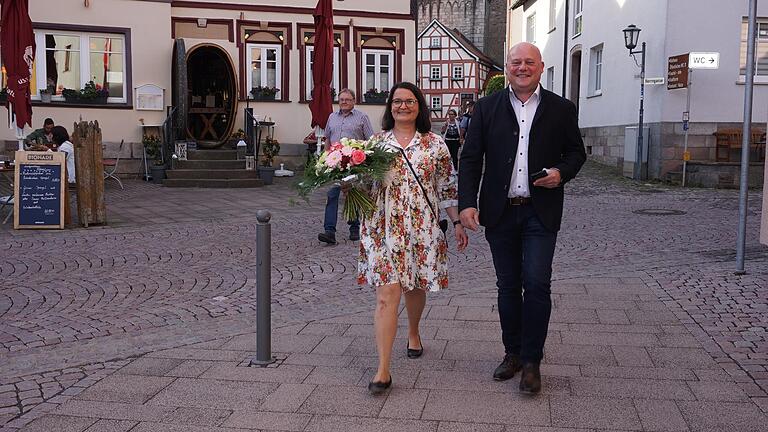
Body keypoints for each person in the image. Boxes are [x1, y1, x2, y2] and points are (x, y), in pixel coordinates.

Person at [458, 42, 586, 394]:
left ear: (541, 67)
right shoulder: (486, 108)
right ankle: (512, 352)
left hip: (539, 212)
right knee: (508, 286)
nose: (522, 67)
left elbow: (576, 152)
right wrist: (466, 202)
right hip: (499, 213)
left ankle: (532, 361)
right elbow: (470, 160)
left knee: (538, 283)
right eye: (516, 62)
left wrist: (561, 172)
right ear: (507, 68)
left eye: (529, 62)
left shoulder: (561, 108)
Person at [359, 82, 469, 395]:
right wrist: (347, 184)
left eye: (409, 101)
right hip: (382, 228)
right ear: (389, 107)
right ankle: (382, 370)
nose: (403, 106)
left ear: (419, 106)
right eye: (397, 101)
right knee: (386, 295)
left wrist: (457, 222)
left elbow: (448, 187)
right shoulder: (375, 144)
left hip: (422, 228)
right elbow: (365, 186)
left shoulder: (435, 144)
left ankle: (414, 331)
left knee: (416, 286)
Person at [317, 88, 374, 245]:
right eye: (341, 99)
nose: (344, 102)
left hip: (354, 164)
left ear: (354, 101)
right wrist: (324, 158)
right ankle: (329, 231)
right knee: (332, 194)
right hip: (335, 164)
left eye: (347, 99)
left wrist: (365, 158)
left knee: (352, 194)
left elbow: (370, 140)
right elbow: (327, 138)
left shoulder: (362, 117)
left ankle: (354, 227)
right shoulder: (332, 117)